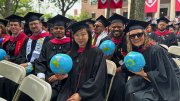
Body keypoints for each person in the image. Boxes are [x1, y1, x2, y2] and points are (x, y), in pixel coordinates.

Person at [124, 20, 180, 101]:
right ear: (129, 38)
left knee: (141, 97)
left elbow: (165, 75)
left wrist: (144, 73)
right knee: (130, 85)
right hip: (150, 78)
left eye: (139, 34)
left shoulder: (156, 50)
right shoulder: (137, 50)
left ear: (145, 35)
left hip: (167, 83)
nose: (136, 38)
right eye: (132, 36)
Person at [57, 21, 108, 101]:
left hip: (90, 93)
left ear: (89, 35)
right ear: (73, 37)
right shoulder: (70, 54)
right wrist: (63, 76)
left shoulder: (97, 52)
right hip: (70, 90)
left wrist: (81, 94)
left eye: (83, 34)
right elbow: (69, 75)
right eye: (77, 35)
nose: (80, 38)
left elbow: (98, 78)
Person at [33, 14, 71, 101]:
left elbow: (74, 63)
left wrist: (61, 75)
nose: (58, 30)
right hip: (47, 79)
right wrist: (41, 78)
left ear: (65, 30)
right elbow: (41, 61)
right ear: (52, 30)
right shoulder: (48, 43)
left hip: (65, 81)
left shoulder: (71, 44)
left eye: (61, 28)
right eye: (56, 28)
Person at [107, 13, 129, 101]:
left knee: (119, 85)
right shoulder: (105, 40)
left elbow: (132, 60)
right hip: (107, 69)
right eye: (114, 27)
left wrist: (119, 69)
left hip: (123, 70)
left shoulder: (129, 41)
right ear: (110, 27)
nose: (116, 29)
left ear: (124, 27)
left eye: (119, 27)